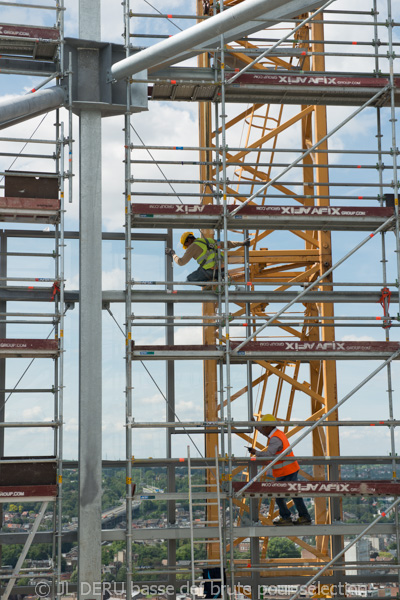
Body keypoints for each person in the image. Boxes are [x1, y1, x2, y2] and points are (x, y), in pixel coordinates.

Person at [247, 414, 312, 526]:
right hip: (288, 470)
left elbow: (269, 455)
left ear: (268, 427)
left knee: (288, 494)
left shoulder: (275, 439)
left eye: (263, 426)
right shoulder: (277, 434)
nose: (262, 429)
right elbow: (264, 432)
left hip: (287, 471)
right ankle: (296, 517)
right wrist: (256, 425)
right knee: (287, 494)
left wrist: (255, 452)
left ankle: (296, 517)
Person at [165, 232, 250, 286]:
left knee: (189, 279)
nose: (187, 247)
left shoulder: (193, 246)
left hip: (210, 272)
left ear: (189, 240)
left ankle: (210, 283)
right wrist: (242, 243)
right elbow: (227, 244)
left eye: (186, 244)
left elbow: (181, 262)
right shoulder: (210, 241)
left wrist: (173, 254)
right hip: (223, 270)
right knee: (200, 269)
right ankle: (215, 280)